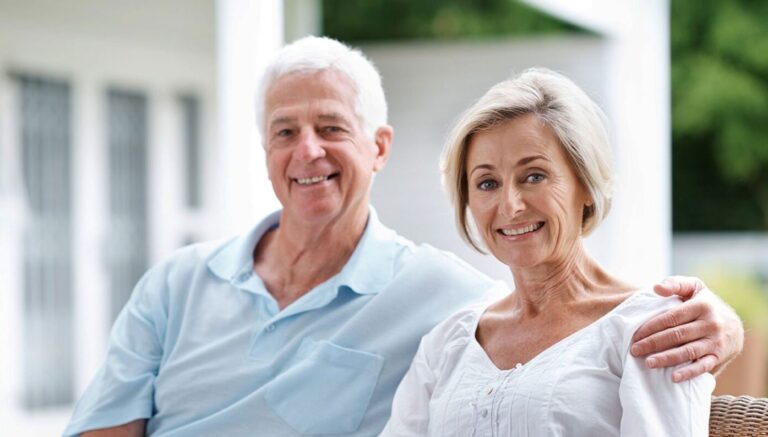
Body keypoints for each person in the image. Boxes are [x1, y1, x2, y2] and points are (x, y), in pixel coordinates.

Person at [64, 37, 742, 437]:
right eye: (284, 132)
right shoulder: (174, 283)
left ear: (379, 146)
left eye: (331, 127)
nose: (307, 153)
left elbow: (580, 313)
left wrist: (723, 326)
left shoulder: (436, 294)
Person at [382, 69, 719, 436]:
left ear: (586, 185)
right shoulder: (448, 342)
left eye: (534, 176)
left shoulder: (650, 327)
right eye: (487, 183)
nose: (510, 206)